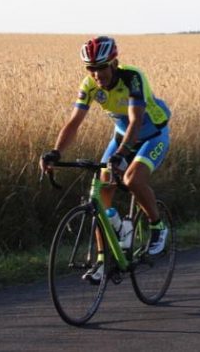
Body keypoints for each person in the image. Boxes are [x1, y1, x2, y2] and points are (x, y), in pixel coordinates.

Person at [39, 36, 171, 284]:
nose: (96, 73)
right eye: (91, 68)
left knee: (132, 179)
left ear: (114, 63)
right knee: (98, 197)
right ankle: (104, 259)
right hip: (121, 137)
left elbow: (135, 120)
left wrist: (121, 155)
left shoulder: (132, 78)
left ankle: (157, 226)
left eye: (101, 67)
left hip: (153, 135)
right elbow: (74, 122)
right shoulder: (89, 85)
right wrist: (56, 152)